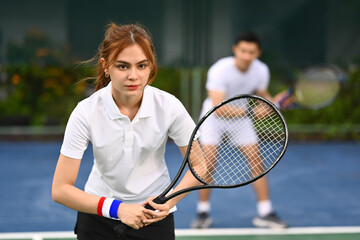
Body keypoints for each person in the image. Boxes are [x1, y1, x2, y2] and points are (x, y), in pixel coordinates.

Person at [52, 23, 204, 240]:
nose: (134, 76)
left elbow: (200, 165)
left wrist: (169, 201)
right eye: (123, 66)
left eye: (142, 66)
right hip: (97, 219)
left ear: (151, 65)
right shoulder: (85, 112)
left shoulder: (169, 106)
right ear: (106, 66)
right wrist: (117, 208)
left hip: (154, 218)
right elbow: (60, 189)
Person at [191, 31, 288, 229]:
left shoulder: (261, 70)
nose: (246, 56)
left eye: (251, 52)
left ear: (258, 53)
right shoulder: (220, 70)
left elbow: (264, 96)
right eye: (243, 51)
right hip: (213, 118)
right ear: (235, 49)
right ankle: (203, 213)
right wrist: (254, 112)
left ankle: (265, 213)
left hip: (242, 118)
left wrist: (275, 102)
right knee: (207, 164)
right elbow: (219, 108)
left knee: (256, 160)